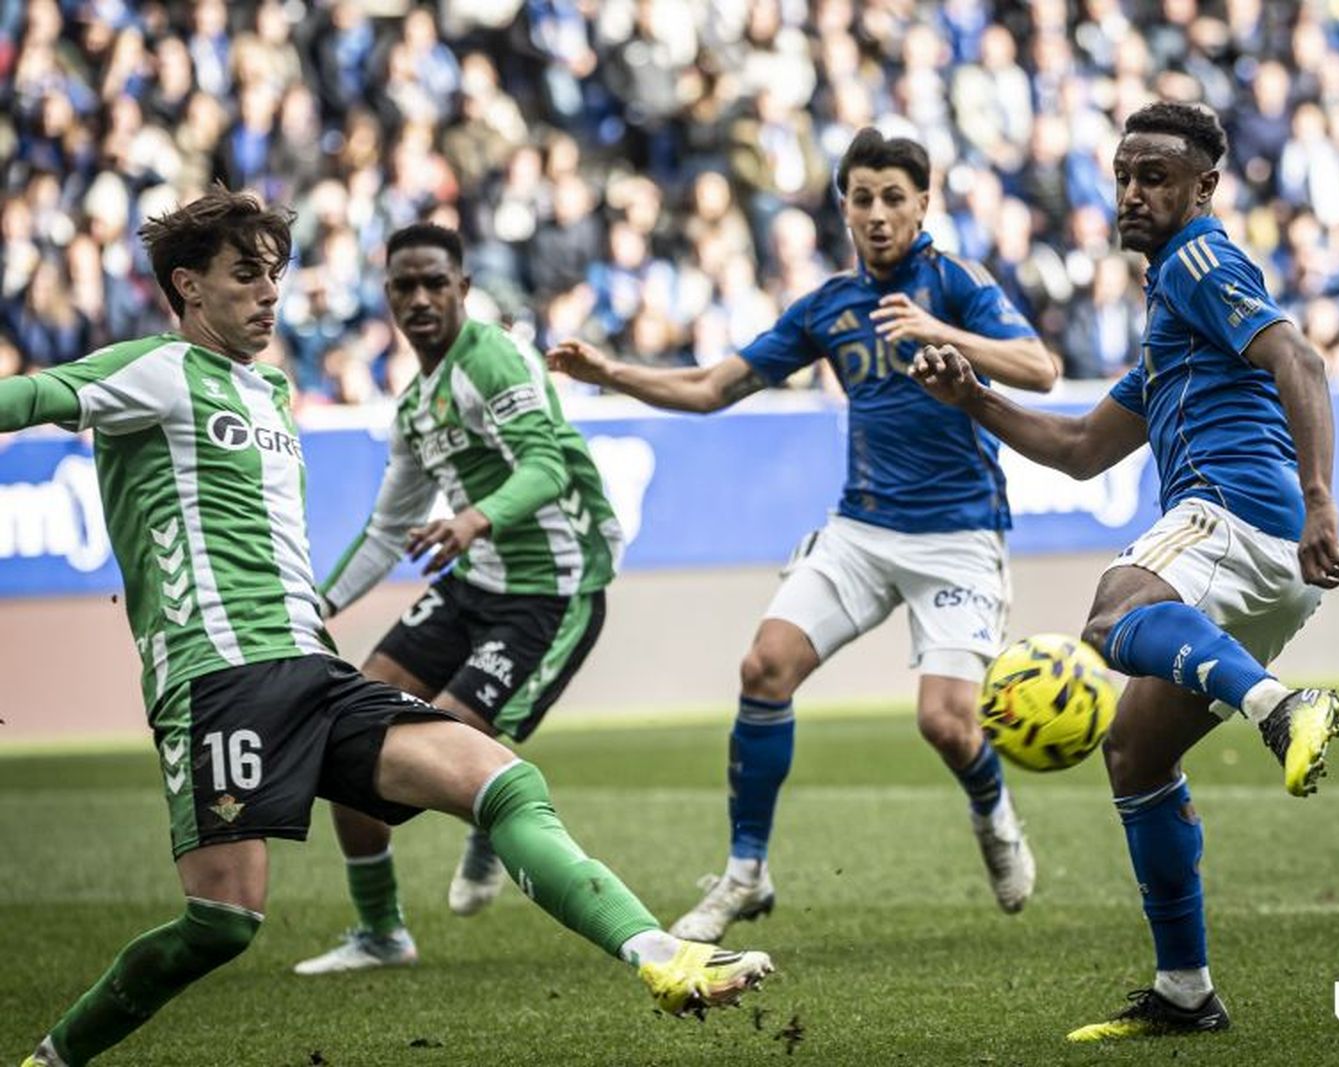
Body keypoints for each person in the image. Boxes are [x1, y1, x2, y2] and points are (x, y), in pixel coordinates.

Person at [4, 189, 771, 1067]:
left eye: (275, 274)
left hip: (313, 670)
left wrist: (319, 608)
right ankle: (54, 1058)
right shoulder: (150, 370)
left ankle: (660, 957)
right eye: (244, 274)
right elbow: (28, 397)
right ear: (187, 285)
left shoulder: (274, 390)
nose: (268, 293)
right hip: (221, 677)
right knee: (222, 921)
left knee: (501, 779)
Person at [911, 102, 1339, 1042]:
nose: (1132, 193)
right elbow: (1079, 447)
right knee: (1135, 753)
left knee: (1112, 616)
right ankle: (1186, 991)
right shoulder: (1173, 324)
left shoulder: (1200, 258)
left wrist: (1321, 497)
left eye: (1155, 176)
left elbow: (1300, 359)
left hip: (1233, 514)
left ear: (1203, 189)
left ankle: (1279, 706)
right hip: (1275, 566)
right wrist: (973, 397)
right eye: (1123, 174)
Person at [549, 128, 1059, 942]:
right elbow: (716, 386)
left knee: (947, 722)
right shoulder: (829, 306)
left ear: (923, 203)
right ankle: (746, 873)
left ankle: (994, 813)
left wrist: (943, 334)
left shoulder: (957, 284)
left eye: (895, 197)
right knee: (765, 665)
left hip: (960, 534)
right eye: (863, 198)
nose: (880, 213)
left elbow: (1040, 367)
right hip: (862, 528)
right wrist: (610, 373)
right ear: (845, 209)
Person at [292, 223, 623, 974]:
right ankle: (381, 930)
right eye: (404, 286)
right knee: (347, 725)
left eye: (434, 283)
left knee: (446, 738)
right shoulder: (415, 408)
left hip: (553, 590)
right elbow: (385, 532)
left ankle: (491, 804)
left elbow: (548, 465)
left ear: (462, 289)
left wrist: (472, 519)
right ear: (386, 297)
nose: (419, 298)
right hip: (474, 581)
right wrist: (306, 611)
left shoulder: (496, 357)